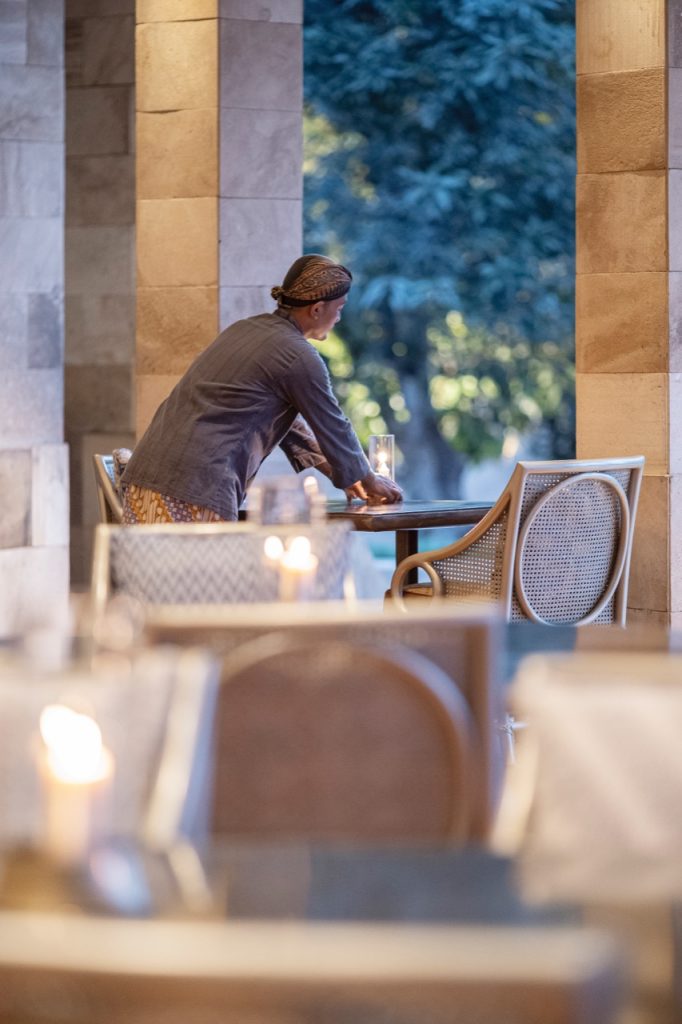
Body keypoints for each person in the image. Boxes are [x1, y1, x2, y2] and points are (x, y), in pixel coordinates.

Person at [121, 254, 403, 523]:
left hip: (149, 480)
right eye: (339, 309)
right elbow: (333, 424)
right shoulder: (297, 354)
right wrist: (368, 479)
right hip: (192, 488)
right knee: (198, 562)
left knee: (157, 562)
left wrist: (347, 473)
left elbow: (291, 427)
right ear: (317, 309)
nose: (339, 318)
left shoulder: (244, 329)